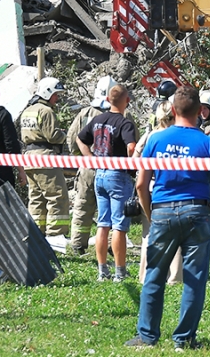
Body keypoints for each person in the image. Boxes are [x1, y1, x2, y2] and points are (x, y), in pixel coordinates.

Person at [125, 86, 210, 350]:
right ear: (200, 111)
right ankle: (184, 338)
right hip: (197, 210)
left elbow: (141, 184)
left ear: (173, 110)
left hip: (162, 210)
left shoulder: (156, 140)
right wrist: (209, 214)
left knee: (154, 275)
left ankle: (147, 336)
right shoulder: (208, 143)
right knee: (194, 279)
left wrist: (150, 213)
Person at [77, 84, 138, 282]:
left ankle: (102, 270)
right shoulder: (125, 123)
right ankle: (120, 271)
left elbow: (80, 139)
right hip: (118, 175)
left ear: (107, 100)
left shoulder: (97, 119)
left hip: (100, 174)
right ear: (127, 101)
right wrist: (132, 165)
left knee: (103, 223)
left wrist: (90, 159)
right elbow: (131, 147)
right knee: (119, 225)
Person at [66, 75, 117, 255]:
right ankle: (111, 244)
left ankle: (78, 244)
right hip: (111, 169)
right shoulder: (119, 114)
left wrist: (82, 158)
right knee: (111, 207)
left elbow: (72, 139)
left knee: (83, 205)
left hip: (87, 167)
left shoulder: (85, 113)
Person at [133, 100, 182, 284]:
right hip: (174, 189)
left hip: (151, 189)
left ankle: (145, 275)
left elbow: (135, 158)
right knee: (176, 234)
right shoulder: (178, 136)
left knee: (149, 235)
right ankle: (175, 276)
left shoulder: (150, 136)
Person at [20, 77, 70, 236]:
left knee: (36, 199)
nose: (57, 98)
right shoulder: (46, 111)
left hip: (29, 159)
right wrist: (64, 135)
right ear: (47, 93)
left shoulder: (27, 110)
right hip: (45, 159)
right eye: (55, 94)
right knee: (57, 197)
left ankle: (36, 235)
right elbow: (53, 136)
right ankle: (56, 234)